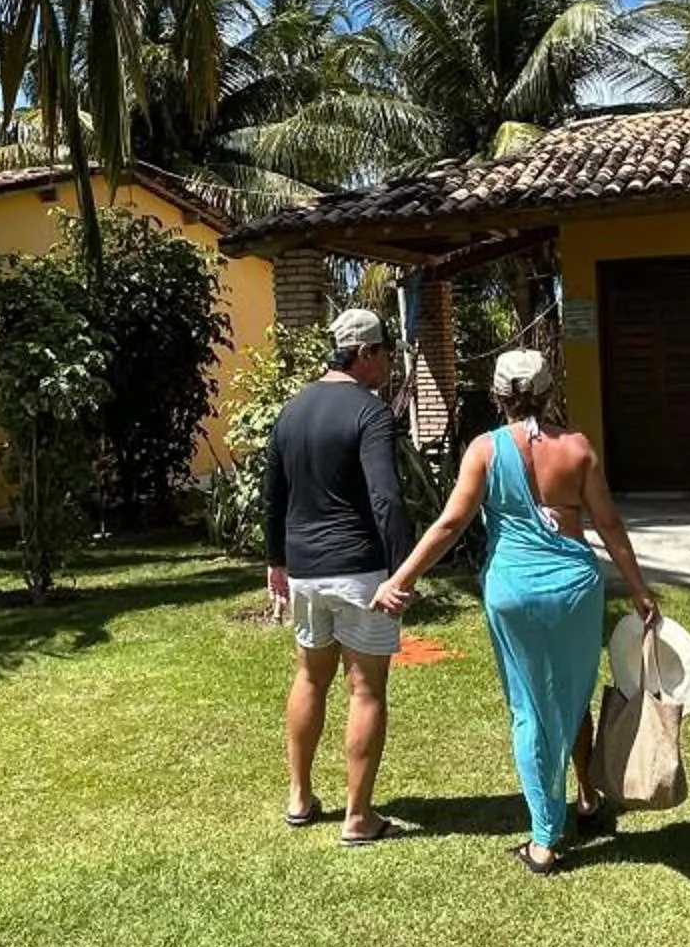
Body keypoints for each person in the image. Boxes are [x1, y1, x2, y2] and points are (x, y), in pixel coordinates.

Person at [377, 348, 661, 876]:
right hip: (575, 589)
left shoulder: (484, 450)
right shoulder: (577, 448)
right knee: (573, 693)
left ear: (497, 395)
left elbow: (449, 524)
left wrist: (402, 578)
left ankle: (545, 839)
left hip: (513, 592)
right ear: (551, 392)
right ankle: (587, 798)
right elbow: (611, 526)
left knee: (531, 708)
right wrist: (640, 589)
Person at [265, 306, 412, 845]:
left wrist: (275, 560)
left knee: (309, 677)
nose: (387, 365)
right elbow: (386, 497)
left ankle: (299, 799)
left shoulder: (292, 409)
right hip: (358, 570)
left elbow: (273, 493)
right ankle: (357, 817)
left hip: (304, 570)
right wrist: (402, 571)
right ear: (366, 353)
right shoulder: (370, 413)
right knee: (366, 688)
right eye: (384, 355)